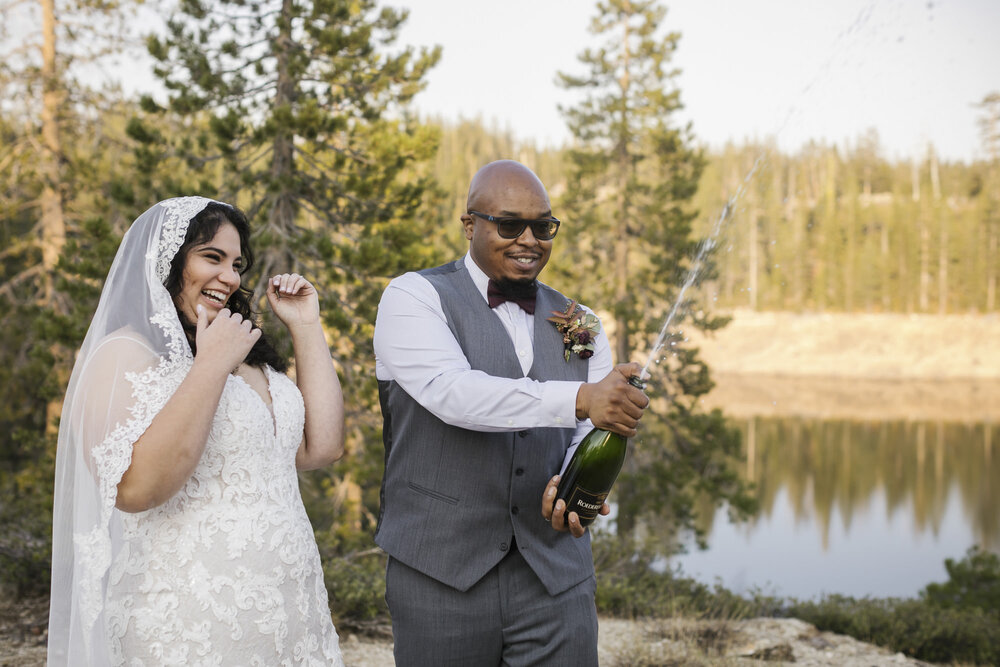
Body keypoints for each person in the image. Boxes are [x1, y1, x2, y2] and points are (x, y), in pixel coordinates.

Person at [47, 197, 346, 666]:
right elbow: (138, 489)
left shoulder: (245, 354)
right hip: (188, 617)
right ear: (168, 260)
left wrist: (306, 326)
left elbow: (320, 446)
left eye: (237, 264)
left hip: (290, 610)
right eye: (212, 257)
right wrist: (210, 364)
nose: (231, 277)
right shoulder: (124, 353)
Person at [373, 160, 649, 665]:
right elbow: (451, 393)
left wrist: (572, 478)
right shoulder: (413, 296)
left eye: (543, 227)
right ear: (470, 225)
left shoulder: (580, 321)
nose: (529, 239)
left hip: (555, 576)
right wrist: (579, 399)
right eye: (509, 224)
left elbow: (590, 426)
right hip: (439, 572)